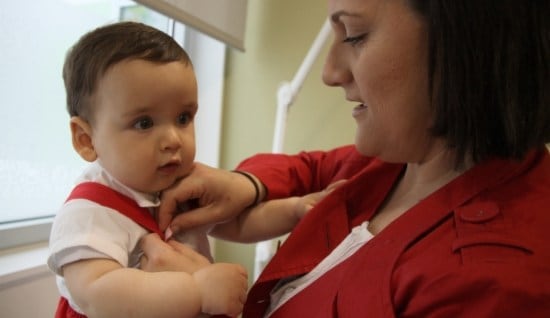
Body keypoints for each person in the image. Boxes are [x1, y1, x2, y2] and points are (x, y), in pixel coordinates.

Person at [143, 0, 550, 317]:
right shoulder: (402, 159)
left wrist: (192, 300)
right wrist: (247, 184)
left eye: (353, 34)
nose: (330, 71)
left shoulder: (492, 281)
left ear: (467, 39)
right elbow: (308, 169)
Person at [47, 21, 252, 318]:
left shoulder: (177, 183)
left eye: (183, 118)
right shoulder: (90, 212)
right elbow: (96, 292)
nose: (173, 139)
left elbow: (234, 220)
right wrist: (196, 290)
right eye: (144, 123)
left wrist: (294, 211)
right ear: (86, 139)